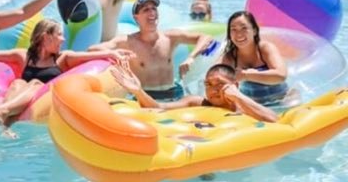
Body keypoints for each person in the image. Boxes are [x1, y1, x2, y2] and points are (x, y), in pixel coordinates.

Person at [0, 18, 133, 137]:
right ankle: (5, 122)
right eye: (59, 35)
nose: (63, 39)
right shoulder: (23, 56)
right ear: (46, 37)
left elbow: (92, 56)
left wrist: (114, 53)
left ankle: (2, 112)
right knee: (18, 82)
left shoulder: (63, 58)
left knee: (36, 82)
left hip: (46, 103)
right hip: (21, 102)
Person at [89, 0, 213, 100]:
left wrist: (191, 58)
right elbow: (92, 49)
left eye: (154, 8)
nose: (152, 12)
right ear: (136, 18)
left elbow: (206, 37)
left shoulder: (170, 37)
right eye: (146, 10)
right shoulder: (126, 41)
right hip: (146, 95)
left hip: (173, 92)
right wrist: (112, 53)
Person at [111, 62, 278, 123]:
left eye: (219, 84)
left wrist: (238, 96)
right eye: (208, 84)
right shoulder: (196, 102)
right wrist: (138, 91)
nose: (212, 90)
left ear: (235, 85)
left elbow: (274, 120)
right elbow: (156, 106)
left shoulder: (244, 108)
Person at [217, 10, 290, 105]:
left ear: (254, 31)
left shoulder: (265, 49)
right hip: (253, 106)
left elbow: (281, 75)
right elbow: (214, 76)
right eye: (233, 29)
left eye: (244, 28)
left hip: (282, 100)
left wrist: (246, 75)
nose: (239, 34)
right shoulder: (230, 58)